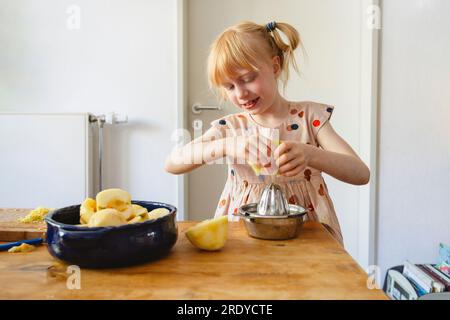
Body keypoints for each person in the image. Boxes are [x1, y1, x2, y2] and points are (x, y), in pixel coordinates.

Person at [165, 21, 370, 246]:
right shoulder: (230, 128)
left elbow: (360, 173)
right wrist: (226, 146)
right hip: (244, 234)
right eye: (230, 87)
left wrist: (311, 155)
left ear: (274, 66)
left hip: (307, 232)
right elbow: (173, 163)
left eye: (247, 78)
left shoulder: (310, 117)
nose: (241, 94)